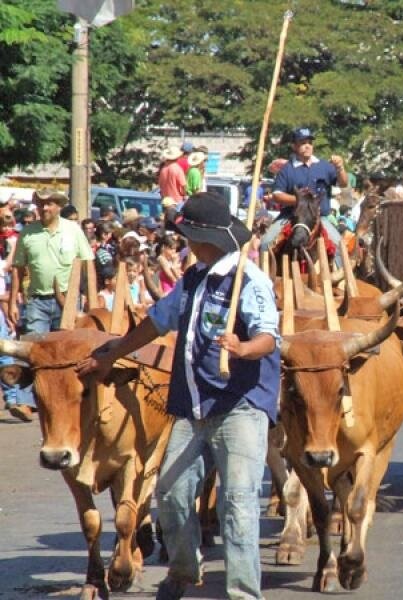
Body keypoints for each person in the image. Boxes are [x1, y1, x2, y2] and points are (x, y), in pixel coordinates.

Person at [76, 191, 280, 600]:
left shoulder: (249, 278)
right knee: (170, 492)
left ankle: (244, 594)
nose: (185, 240)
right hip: (193, 406)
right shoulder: (193, 279)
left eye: (188, 234)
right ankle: (184, 570)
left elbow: (268, 338)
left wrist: (243, 348)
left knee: (237, 503)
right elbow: (155, 322)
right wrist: (111, 352)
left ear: (204, 236)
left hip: (239, 406)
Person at [9, 189, 93, 421]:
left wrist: (89, 298)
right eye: (41, 204)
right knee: (34, 348)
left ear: (58, 206)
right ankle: (25, 403)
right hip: (37, 299)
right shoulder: (28, 233)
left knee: (68, 350)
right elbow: (18, 269)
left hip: (68, 299)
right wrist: (13, 302)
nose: (45, 208)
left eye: (49, 204)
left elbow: (87, 264)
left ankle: (70, 395)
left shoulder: (73, 230)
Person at [260, 127, 348, 257]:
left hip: (320, 218)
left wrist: (340, 168)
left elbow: (343, 183)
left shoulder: (324, 166)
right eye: (302, 143)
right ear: (294, 146)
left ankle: (341, 277)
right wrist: (302, 202)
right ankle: (264, 276)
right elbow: (277, 195)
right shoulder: (287, 169)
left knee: (340, 246)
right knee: (265, 243)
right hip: (291, 217)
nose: (307, 146)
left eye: (309, 143)